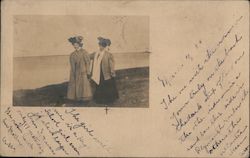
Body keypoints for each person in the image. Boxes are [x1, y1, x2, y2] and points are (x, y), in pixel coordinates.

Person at [90, 37, 119, 104]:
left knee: (107, 86)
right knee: (99, 85)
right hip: (98, 73)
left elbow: (111, 64)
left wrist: (112, 72)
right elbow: (88, 57)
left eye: (102, 46)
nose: (101, 47)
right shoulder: (96, 53)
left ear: (105, 46)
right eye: (100, 45)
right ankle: (99, 99)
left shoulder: (108, 54)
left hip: (106, 73)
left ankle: (108, 99)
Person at [67, 36, 92, 102]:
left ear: (79, 44)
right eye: (74, 45)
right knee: (76, 84)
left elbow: (88, 62)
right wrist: (73, 73)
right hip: (75, 72)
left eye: (76, 45)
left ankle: (84, 98)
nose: (75, 46)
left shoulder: (84, 52)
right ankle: (76, 97)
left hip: (83, 71)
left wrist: (88, 71)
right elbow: (72, 65)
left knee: (84, 85)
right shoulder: (72, 54)